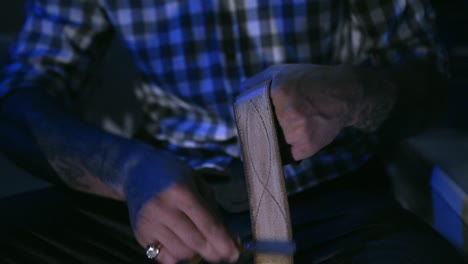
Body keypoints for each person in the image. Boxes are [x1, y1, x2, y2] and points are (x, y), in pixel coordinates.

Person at [0, 0, 463, 263]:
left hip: (335, 201)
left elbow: (431, 80)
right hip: (165, 205)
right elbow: (20, 95)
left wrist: (352, 93)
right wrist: (125, 170)